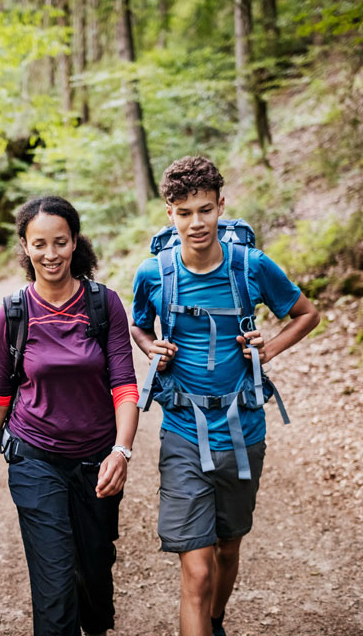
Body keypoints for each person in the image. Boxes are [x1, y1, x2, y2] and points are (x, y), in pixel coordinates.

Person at [131, 156, 320, 636]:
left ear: (221, 205)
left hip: (243, 428)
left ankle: (215, 620)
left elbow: (305, 313)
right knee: (195, 569)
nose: (196, 222)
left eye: (205, 209)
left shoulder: (251, 266)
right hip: (181, 431)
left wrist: (268, 348)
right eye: (184, 211)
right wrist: (153, 347)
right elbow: (138, 324)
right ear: (168, 212)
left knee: (227, 548)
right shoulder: (154, 273)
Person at [0, 196, 139, 636]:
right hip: (35, 459)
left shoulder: (104, 306)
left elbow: (124, 386)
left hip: (96, 463)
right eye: (39, 244)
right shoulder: (13, 313)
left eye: (60, 242)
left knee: (95, 575)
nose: (51, 254)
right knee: (55, 584)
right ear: (25, 247)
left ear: (74, 242)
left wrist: (122, 450)